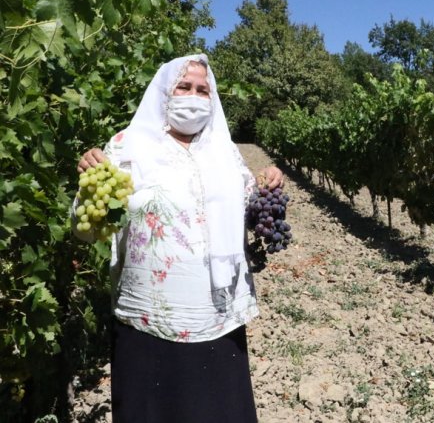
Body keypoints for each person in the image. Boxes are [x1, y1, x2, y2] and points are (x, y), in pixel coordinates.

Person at [74, 54, 282, 422]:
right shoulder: (126, 147)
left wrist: (270, 184)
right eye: (184, 87)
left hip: (218, 317)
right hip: (149, 318)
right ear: (165, 93)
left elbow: (251, 215)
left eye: (203, 90)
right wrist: (90, 185)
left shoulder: (224, 152)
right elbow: (86, 229)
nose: (193, 96)